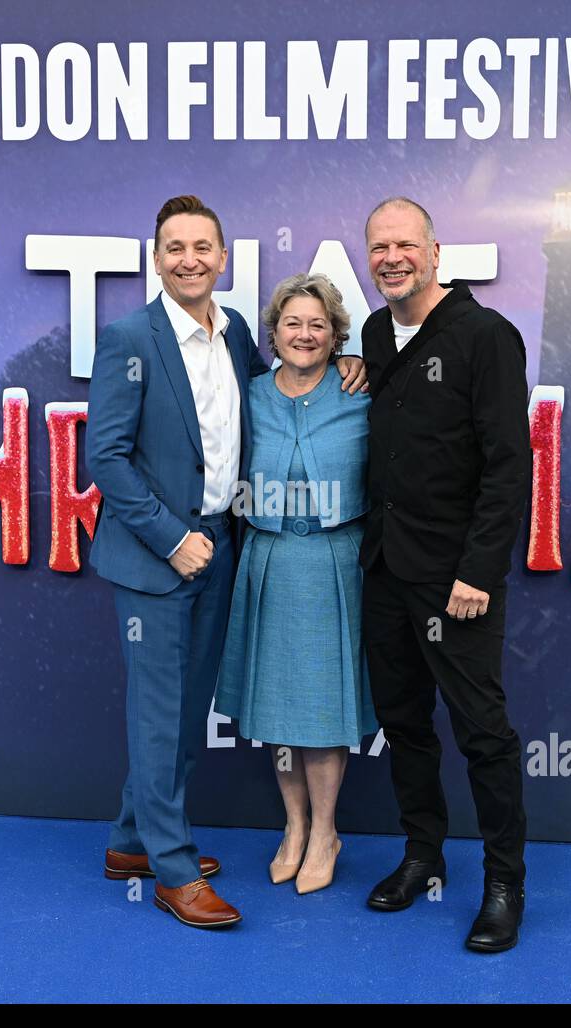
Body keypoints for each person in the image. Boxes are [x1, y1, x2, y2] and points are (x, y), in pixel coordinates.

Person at [85, 195, 366, 930]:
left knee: (181, 715)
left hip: (222, 552)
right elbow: (105, 458)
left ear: (222, 259)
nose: (189, 259)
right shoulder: (128, 340)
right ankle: (173, 870)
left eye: (202, 247)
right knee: (157, 717)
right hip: (157, 558)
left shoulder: (237, 331)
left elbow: (284, 387)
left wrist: (350, 359)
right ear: (156, 257)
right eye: (175, 247)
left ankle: (129, 841)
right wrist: (171, 539)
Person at [358, 196, 532, 952]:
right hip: (385, 570)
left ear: (435, 252)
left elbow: (508, 465)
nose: (391, 257)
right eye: (378, 247)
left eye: (405, 244)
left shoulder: (486, 336)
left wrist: (478, 573)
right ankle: (423, 857)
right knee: (404, 726)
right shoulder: (372, 331)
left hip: (457, 579)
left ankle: (503, 886)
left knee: (482, 734)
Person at [215, 274, 377, 895]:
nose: (304, 335)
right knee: (276, 711)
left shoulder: (361, 388)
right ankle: (294, 828)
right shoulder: (248, 394)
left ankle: (326, 833)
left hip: (336, 562)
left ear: (336, 335)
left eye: (318, 325)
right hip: (270, 560)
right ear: (273, 334)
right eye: (292, 324)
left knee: (323, 712)